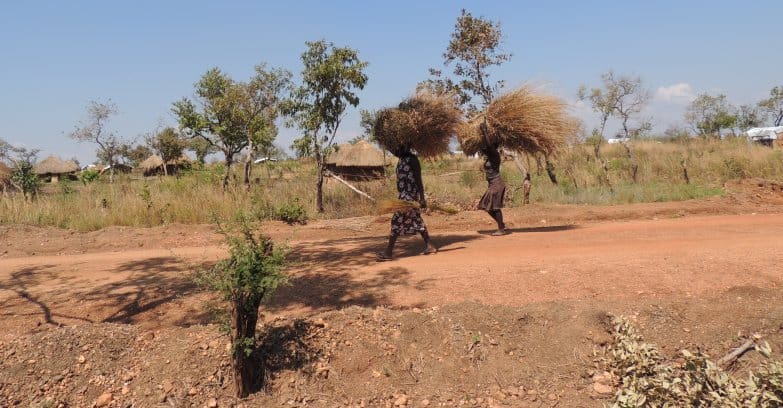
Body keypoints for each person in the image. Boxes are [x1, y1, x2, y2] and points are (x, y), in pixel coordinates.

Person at [377, 145, 437, 261]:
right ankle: (430, 246)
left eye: (397, 149)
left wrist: (422, 198)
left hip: (409, 198)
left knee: (396, 220)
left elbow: (419, 180)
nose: (395, 151)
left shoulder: (412, 160)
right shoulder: (401, 160)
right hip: (403, 197)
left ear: (405, 148)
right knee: (417, 221)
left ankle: (388, 252)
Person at [478, 142, 509, 235]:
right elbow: (483, 148)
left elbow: (488, 145)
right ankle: (502, 224)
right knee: (485, 206)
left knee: (495, 207)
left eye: (487, 148)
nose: (485, 150)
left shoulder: (495, 154)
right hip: (492, 184)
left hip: (497, 183)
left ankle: (501, 229)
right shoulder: (490, 156)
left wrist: (485, 131)